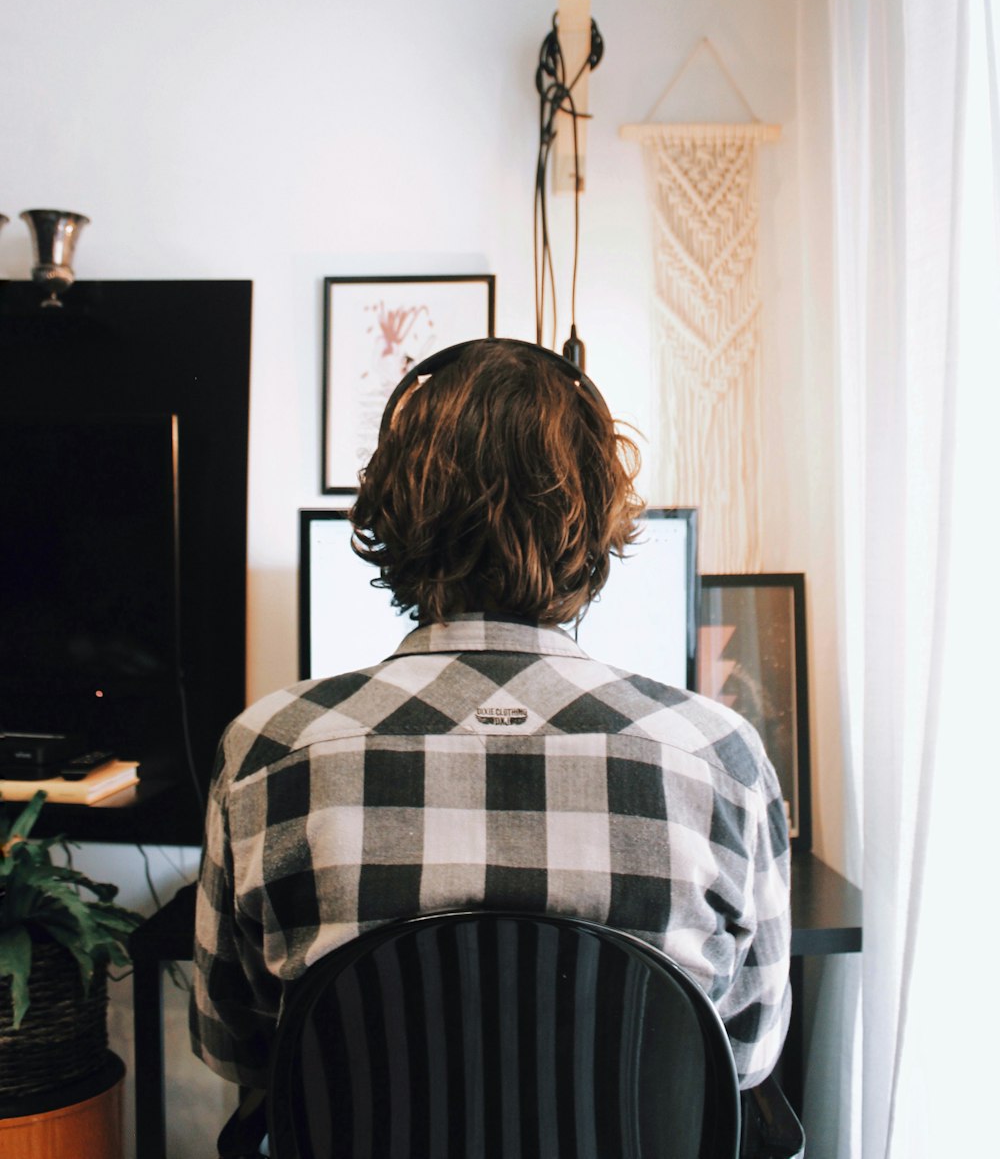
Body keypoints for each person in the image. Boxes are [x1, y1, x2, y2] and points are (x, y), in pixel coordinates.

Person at [191, 337, 791, 1143]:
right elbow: (744, 1055)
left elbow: (234, 1044)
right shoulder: (719, 756)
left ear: (390, 512)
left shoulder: (269, 749)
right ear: (597, 522)